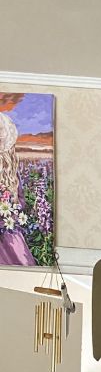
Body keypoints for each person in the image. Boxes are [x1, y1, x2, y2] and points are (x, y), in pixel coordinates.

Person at [0, 111, 35, 266]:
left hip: (7, 230)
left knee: (19, 261)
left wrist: (10, 209)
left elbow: (20, 200)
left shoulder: (11, 172)